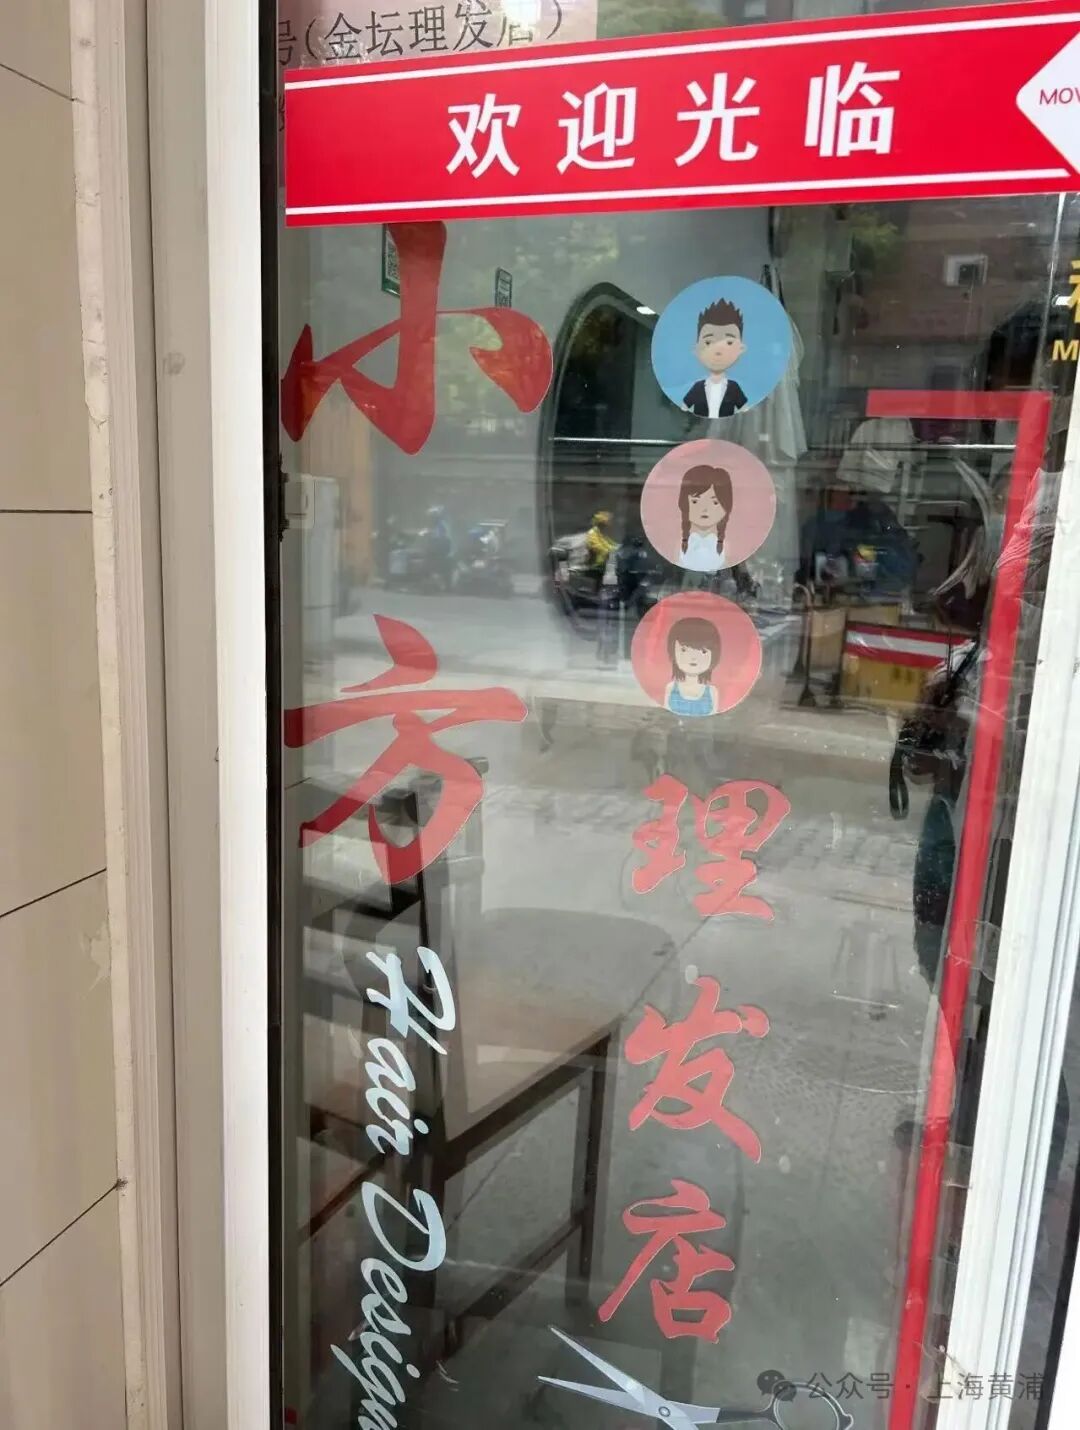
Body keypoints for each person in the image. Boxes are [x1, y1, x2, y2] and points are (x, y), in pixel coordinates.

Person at [682, 299, 749, 419]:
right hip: (701, 429)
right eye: (708, 342)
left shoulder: (734, 388)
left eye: (729, 343)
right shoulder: (697, 387)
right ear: (696, 349)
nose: (718, 351)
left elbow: (746, 411)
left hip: (726, 430)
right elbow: (683, 408)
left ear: (741, 349)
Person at [678, 465, 733, 572]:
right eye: (695, 501)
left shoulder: (728, 546)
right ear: (684, 503)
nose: (705, 509)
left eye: (715, 502)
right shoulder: (678, 545)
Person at [664, 616, 721, 717]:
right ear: (673, 651)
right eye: (684, 650)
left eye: (703, 651)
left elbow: (713, 718)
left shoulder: (712, 692)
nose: (693, 657)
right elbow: (665, 715)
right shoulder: (671, 688)